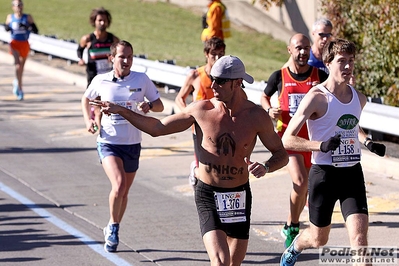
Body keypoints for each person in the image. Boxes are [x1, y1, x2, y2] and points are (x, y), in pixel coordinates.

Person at [92, 55, 289, 265]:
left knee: (233, 263)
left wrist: (266, 167)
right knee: (221, 261)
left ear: (237, 82)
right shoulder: (202, 110)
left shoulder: (256, 116)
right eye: (213, 78)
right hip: (208, 193)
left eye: (220, 81)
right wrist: (121, 110)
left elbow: (281, 154)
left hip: (238, 195)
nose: (213, 85)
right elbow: (158, 129)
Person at [280, 38, 386, 266]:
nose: (347, 66)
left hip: (351, 174)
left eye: (351, 61)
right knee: (319, 239)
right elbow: (288, 139)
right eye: (341, 61)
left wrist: (367, 142)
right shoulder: (316, 98)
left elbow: (350, 124)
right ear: (328, 63)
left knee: (359, 241)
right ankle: (296, 245)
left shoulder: (359, 98)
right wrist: (320, 145)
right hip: (324, 175)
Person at [81, 40, 164, 253]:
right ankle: (114, 227)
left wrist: (149, 105)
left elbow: (159, 105)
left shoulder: (141, 79)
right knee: (118, 185)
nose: (126, 61)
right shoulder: (101, 80)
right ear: (111, 58)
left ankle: (112, 224)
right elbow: (86, 99)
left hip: (133, 143)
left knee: (124, 192)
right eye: (121, 57)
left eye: (129, 56)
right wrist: (88, 121)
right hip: (109, 142)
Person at [260, 33, 328, 248]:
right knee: (300, 182)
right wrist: (270, 109)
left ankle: (291, 222)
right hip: (289, 139)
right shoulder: (279, 76)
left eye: (306, 48)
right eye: (298, 48)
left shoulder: (320, 75)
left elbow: (332, 96)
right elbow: (264, 96)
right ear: (289, 49)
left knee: (305, 187)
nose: (303, 52)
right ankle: (293, 226)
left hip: (314, 141)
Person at [174, 36, 226, 187]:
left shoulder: (227, 77)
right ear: (206, 54)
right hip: (199, 127)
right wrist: (186, 115)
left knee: (220, 163)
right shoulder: (196, 75)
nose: (217, 58)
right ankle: (196, 172)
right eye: (213, 55)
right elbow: (179, 98)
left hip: (221, 124)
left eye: (221, 54)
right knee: (204, 165)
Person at [77, 7, 120, 127]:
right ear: (94, 21)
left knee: (105, 107)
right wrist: (81, 59)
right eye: (99, 20)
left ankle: (100, 126)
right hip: (94, 77)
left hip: (109, 78)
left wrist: (113, 58)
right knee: (98, 109)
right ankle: (100, 131)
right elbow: (79, 50)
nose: (102, 23)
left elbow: (119, 54)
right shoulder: (88, 39)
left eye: (104, 20)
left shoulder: (113, 39)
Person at [4, 0, 38, 101]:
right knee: (17, 65)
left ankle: (17, 81)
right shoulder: (10, 17)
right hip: (14, 43)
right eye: (16, 5)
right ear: (13, 7)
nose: (19, 7)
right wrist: (8, 27)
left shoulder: (27, 17)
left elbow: (35, 30)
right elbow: (6, 27)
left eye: (20, 5)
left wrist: (27, 26)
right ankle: (20, 89)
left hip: (24, 43)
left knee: (21, 67)